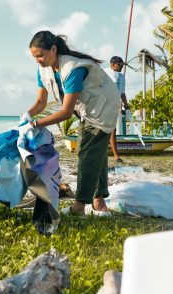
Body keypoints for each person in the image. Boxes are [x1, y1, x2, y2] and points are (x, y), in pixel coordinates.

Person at [22, 31, 120, 216]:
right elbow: (41, 102)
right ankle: (99, 202)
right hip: (88, 110)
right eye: (34, 57)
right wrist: (26, 115)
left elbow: (66, 112)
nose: (38, 60)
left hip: (103, 108)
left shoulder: (74, 68)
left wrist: (36, 124)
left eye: (41, 55)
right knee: (95, 153)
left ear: (53, 49)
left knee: (87, 154)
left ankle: (79, 206)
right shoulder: (44, 69)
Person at [105, 55, 129, 164]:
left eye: (122, 65)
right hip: (103, 105)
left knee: (112, 130)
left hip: (114, 106)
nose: (121, 67)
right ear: (112, 65)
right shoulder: (104, 72)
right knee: (103, 130)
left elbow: (122, 92)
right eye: (120, 65)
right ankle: (104, 153)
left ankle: (116, 156)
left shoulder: (122, 77)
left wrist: (126, 104)